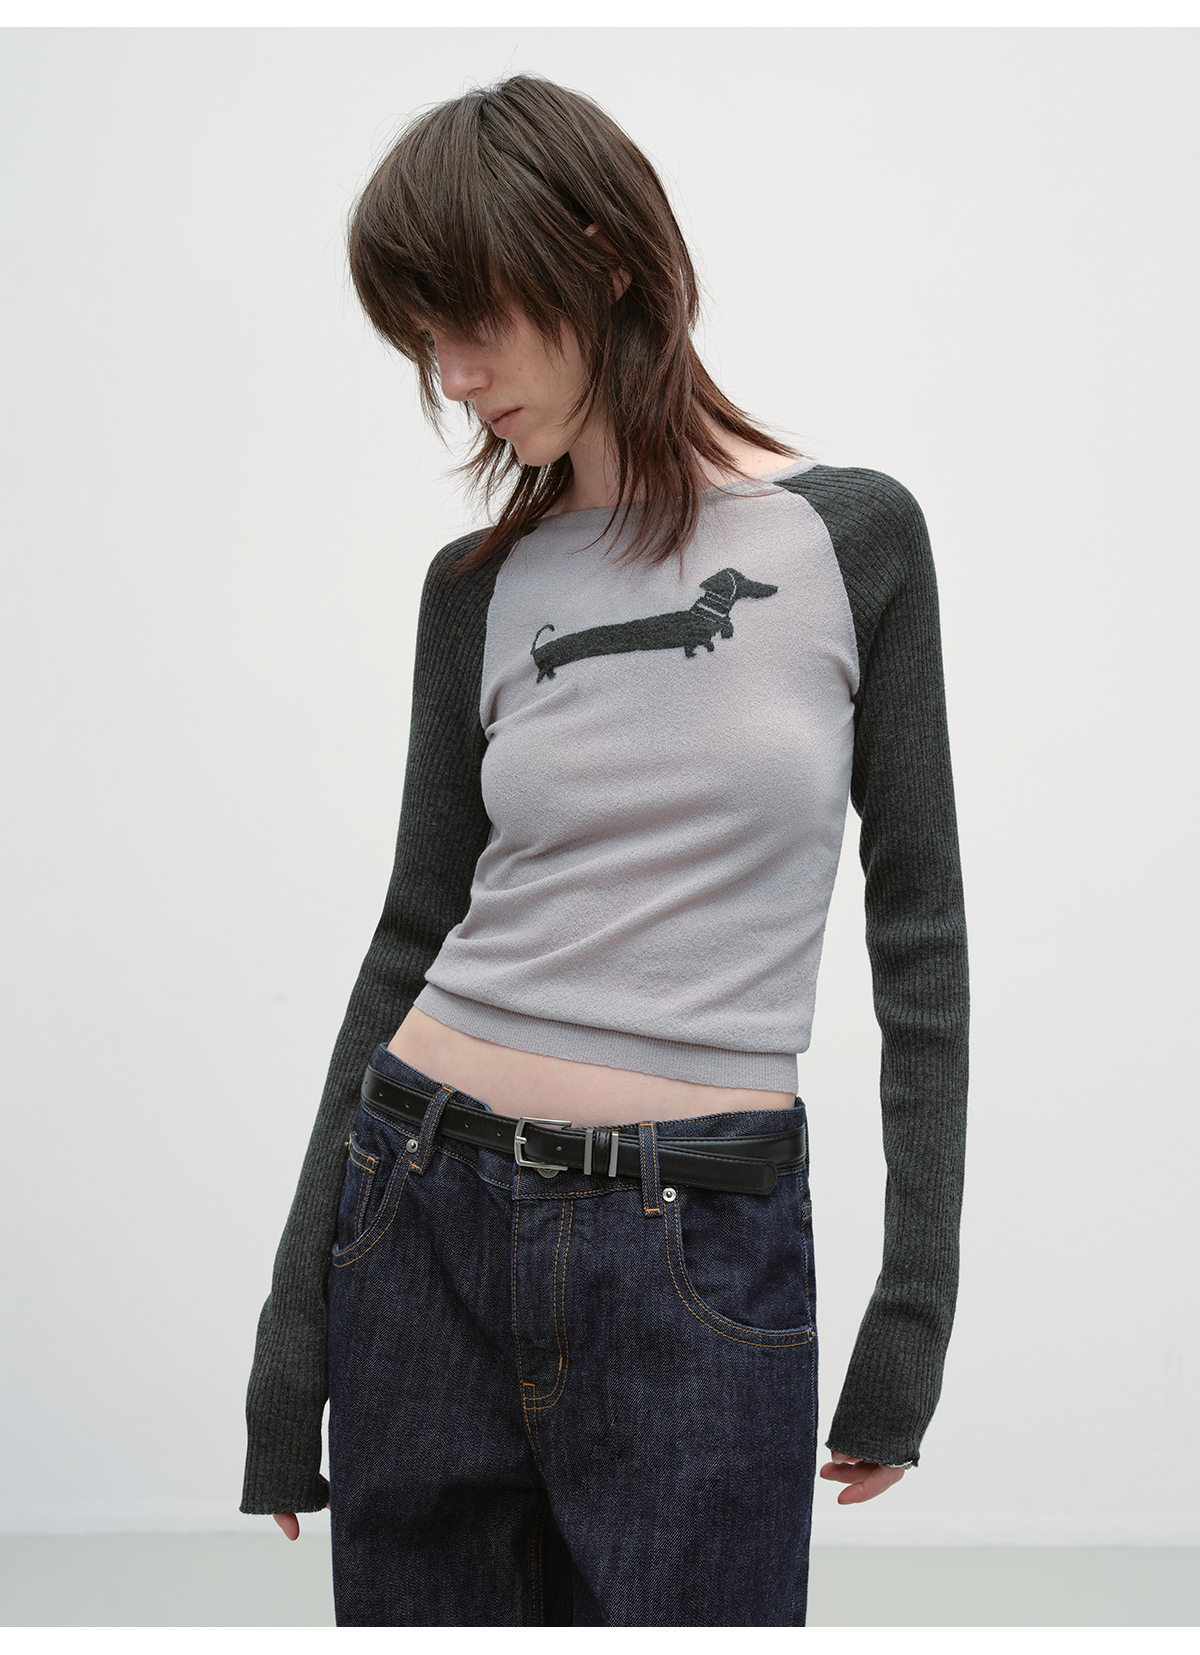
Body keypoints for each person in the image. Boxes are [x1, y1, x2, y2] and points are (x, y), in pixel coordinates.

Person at [239, 73, 968, 1628]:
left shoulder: (852, 542)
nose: (455, 376)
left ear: (604, 258)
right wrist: (292, 1330)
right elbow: (413, 930)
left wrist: (912, 1314)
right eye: (424, 340)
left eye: (474, 321)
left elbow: (920, 934)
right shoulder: (475, 588)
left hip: (696, 1252)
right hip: (416, 1216)